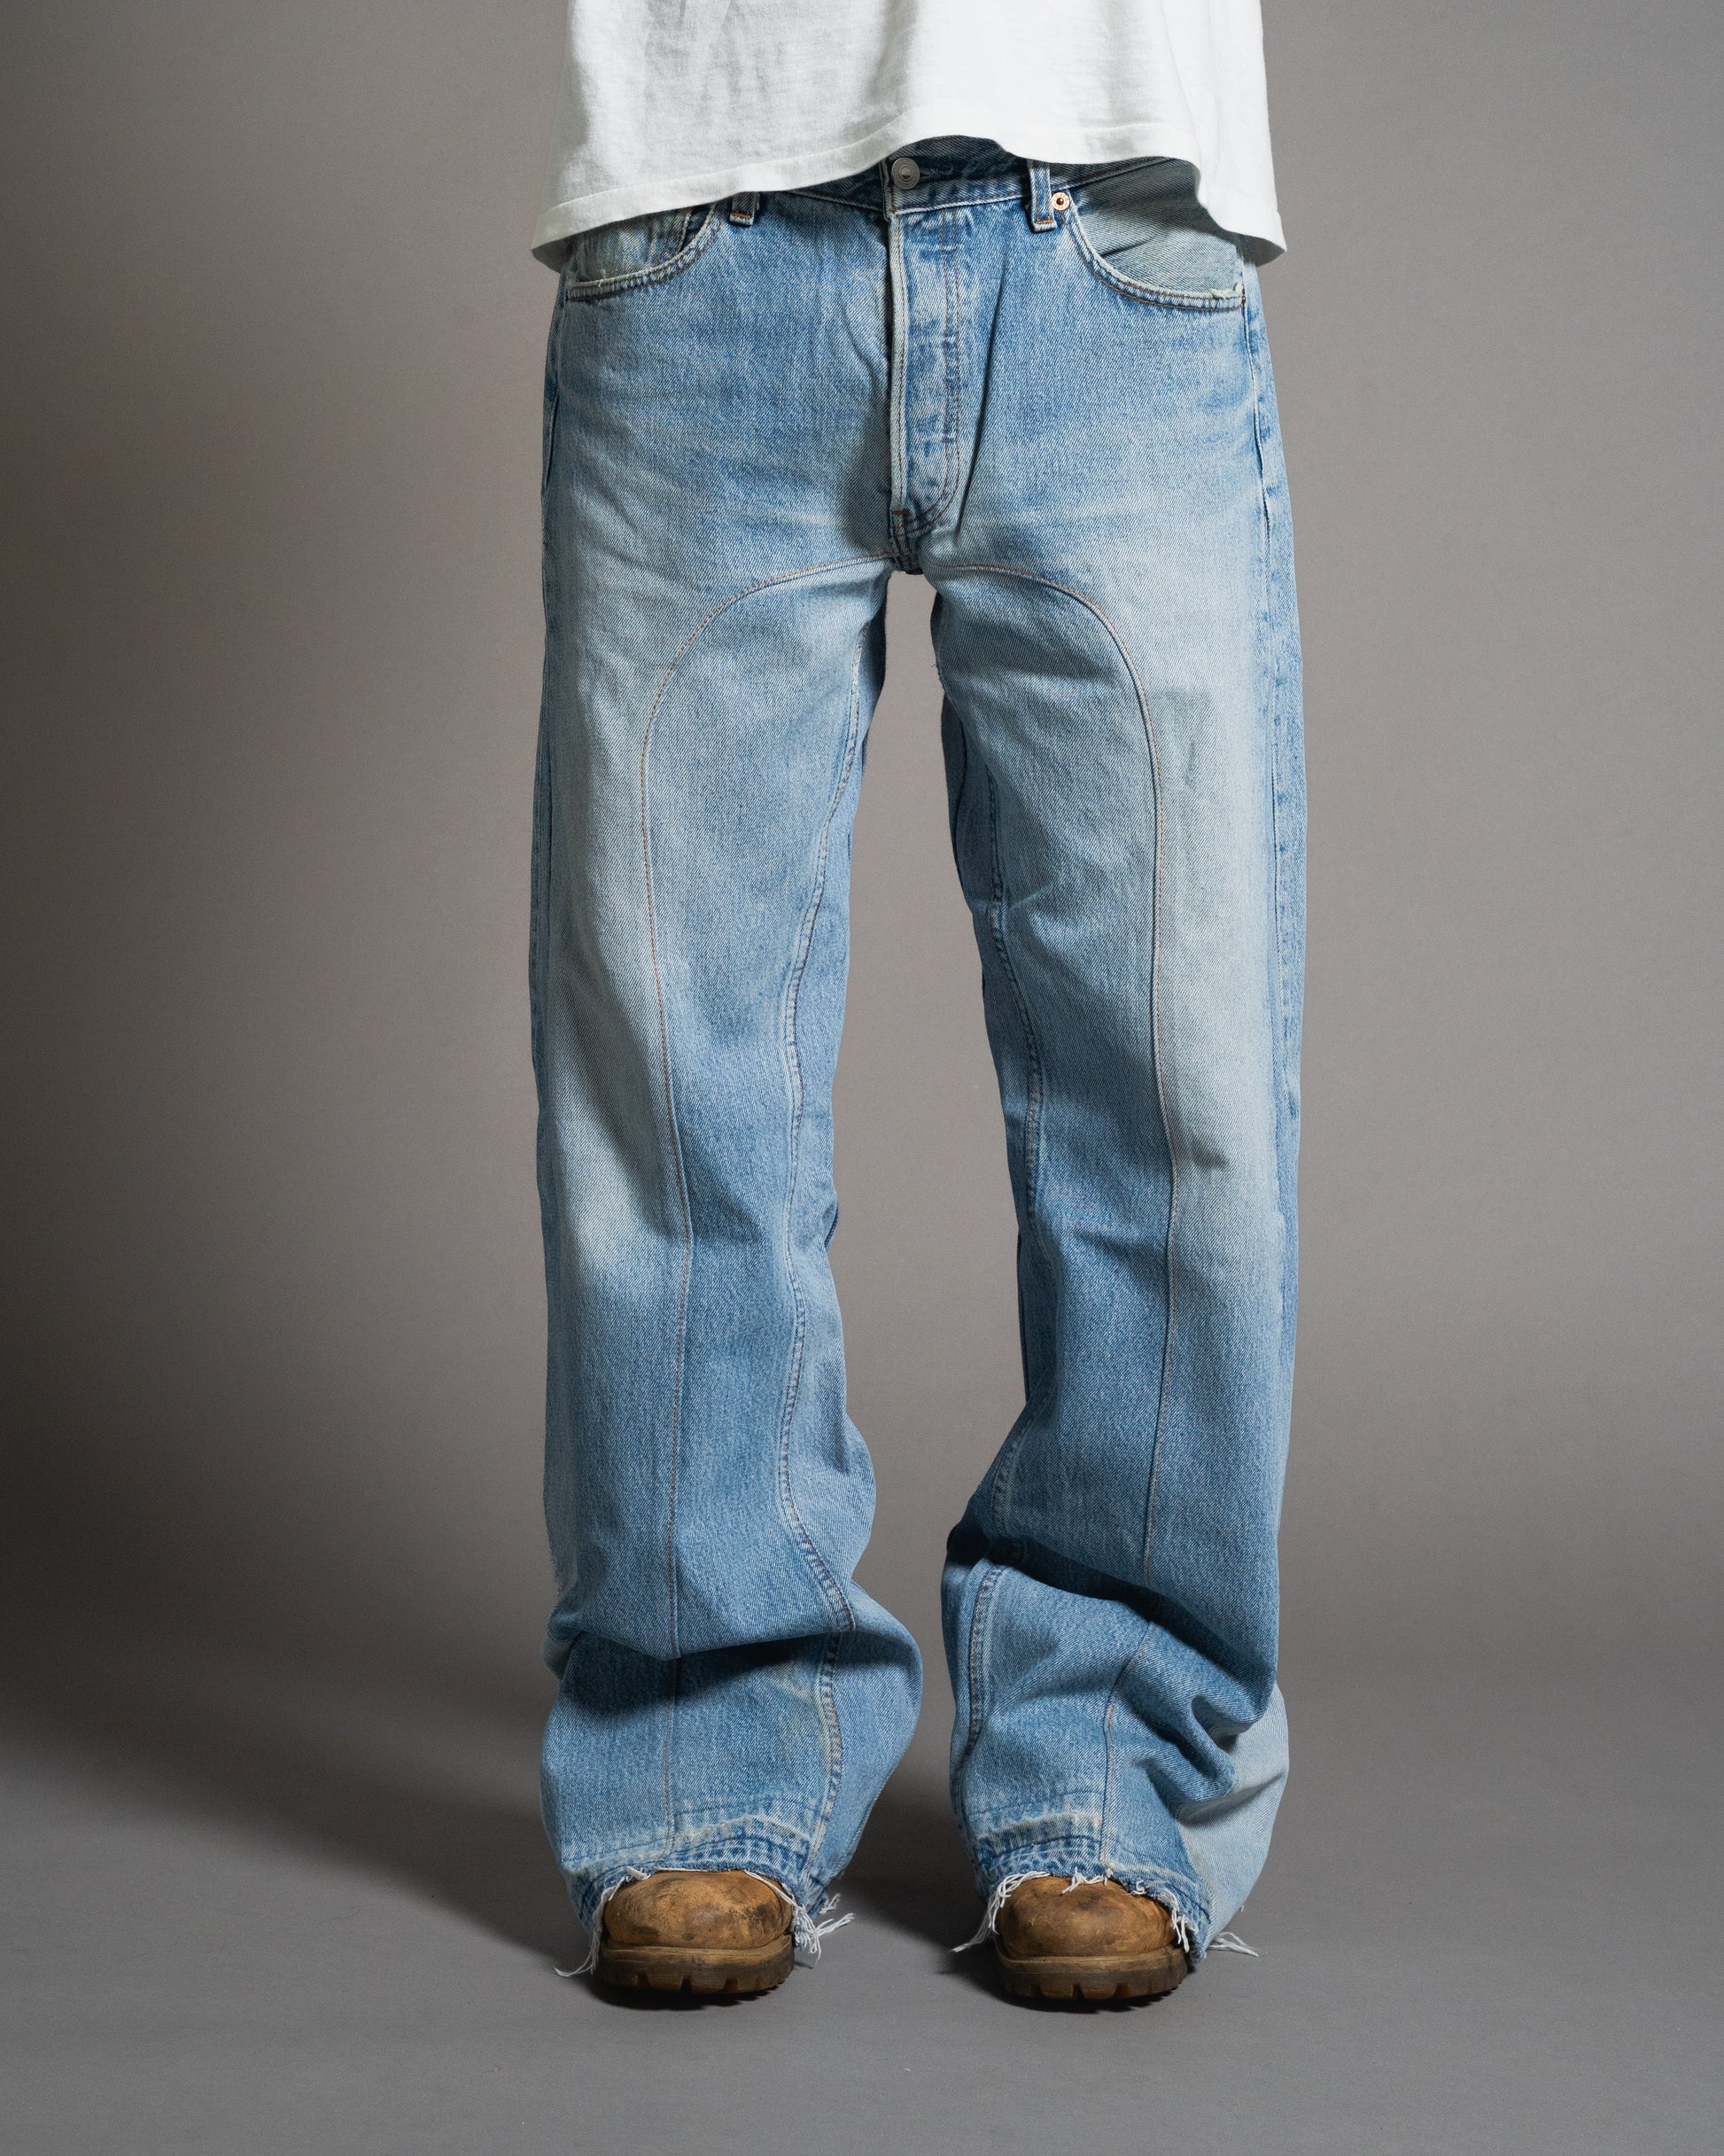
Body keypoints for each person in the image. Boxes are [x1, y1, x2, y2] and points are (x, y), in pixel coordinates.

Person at [528, 2, 1302, 2005]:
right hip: (702, 217)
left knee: (1171, 1077)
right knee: (672, 1068)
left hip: (1115, 223)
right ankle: (701, 1744)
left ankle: (1116, 1757)